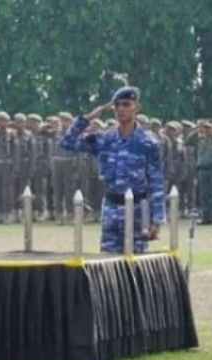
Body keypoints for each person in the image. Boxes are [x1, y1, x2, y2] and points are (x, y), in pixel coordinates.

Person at [60, 86, 165, 254]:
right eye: (117, 105)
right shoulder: (105, 139)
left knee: (135, 261)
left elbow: (156, 181)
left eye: (126, 104)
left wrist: (157, 219)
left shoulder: (148, 142)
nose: (121, 109)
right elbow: (67, 142)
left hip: (137, 211)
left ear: (137, 107)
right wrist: (88, 118)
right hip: (111, 209)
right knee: (108, 261)